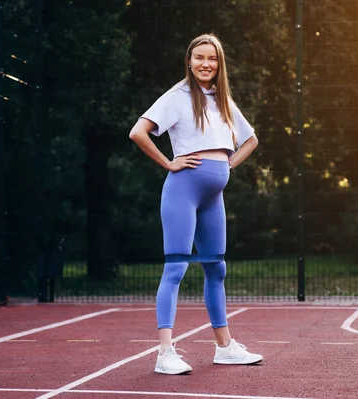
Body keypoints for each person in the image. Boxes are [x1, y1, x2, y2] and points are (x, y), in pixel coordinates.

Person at [129, 33, 262, 375]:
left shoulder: (222, 99)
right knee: (176, 268)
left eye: (212, 59)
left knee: (217, 269)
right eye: (200, 57)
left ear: (220, 64)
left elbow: (251, 140)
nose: (206, 64)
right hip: (183, 191)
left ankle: (225, 348)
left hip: (213, 196)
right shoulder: (177, 96)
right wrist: (170, 163)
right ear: (189, 60)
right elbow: (138, 132)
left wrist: (227, 164)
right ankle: (164, 353)